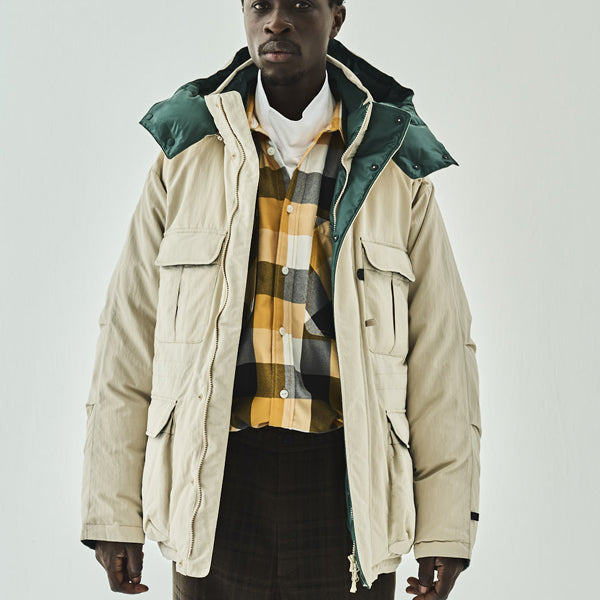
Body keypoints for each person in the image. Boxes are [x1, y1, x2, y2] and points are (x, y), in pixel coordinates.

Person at [80, 1, 482, 598]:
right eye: (260, 5)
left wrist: (445, 531)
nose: (276, 21)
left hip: (349, 494)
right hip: (213, 488)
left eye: (299, 4)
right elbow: (129, 336)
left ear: (336, 17)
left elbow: (441, 357)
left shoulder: (394, 166)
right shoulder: (187, 155)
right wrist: (113, 514)